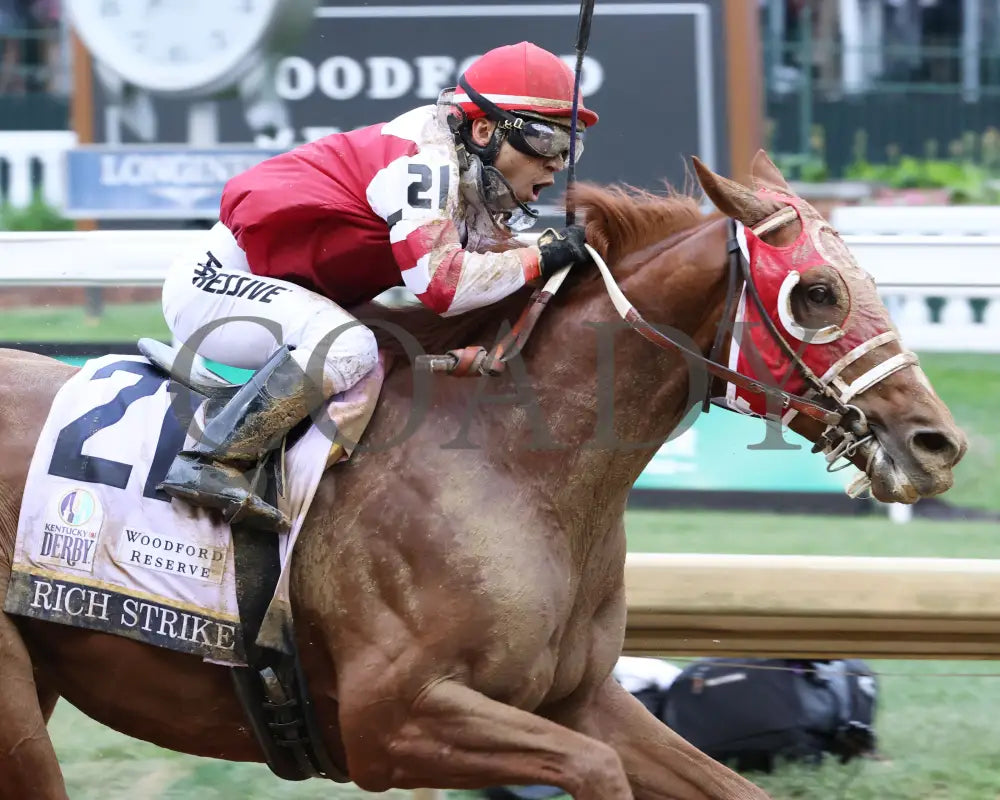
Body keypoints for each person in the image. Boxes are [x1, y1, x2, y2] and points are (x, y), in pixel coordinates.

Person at [158, 41, 599, 533]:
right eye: (544, 141)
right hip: (217, 285)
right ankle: (213, 460)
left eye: (571, 147)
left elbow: (495, 265)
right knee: (349, 346)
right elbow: (445, 287)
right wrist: (541, 256)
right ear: (483, 130)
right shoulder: (425, 161)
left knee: (379, 347)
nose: (557, 163)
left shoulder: (469, 171)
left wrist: (553, 256)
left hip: (275, 289)